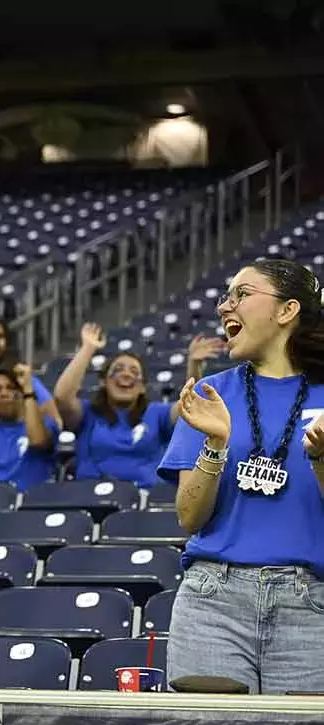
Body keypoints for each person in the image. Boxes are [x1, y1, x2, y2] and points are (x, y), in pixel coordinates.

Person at [159, 258, 324, 694]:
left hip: (312, 604)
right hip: (213, 600)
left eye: (242, 295)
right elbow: (189, 517)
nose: (225, 307)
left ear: (287, 310)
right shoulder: (212, 395)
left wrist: (321, 459)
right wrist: (215, 445)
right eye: (226, 296)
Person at [53, 324, 190, 488]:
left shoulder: (157, 413)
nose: (126, 375)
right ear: (103, 381)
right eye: (117, 370)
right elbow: (62, 397)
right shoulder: (88, 413)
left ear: (142, 387)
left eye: (134, 372)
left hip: (143, 501)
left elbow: (189, 405)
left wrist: (194, 364)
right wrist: (88, 348)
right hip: (88, 495)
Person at [0, 363, 58, 491]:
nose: (4, 393)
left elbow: (38, 440)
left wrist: (27, 389)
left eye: (10, 387)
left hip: (32, 503)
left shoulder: (45, 423)